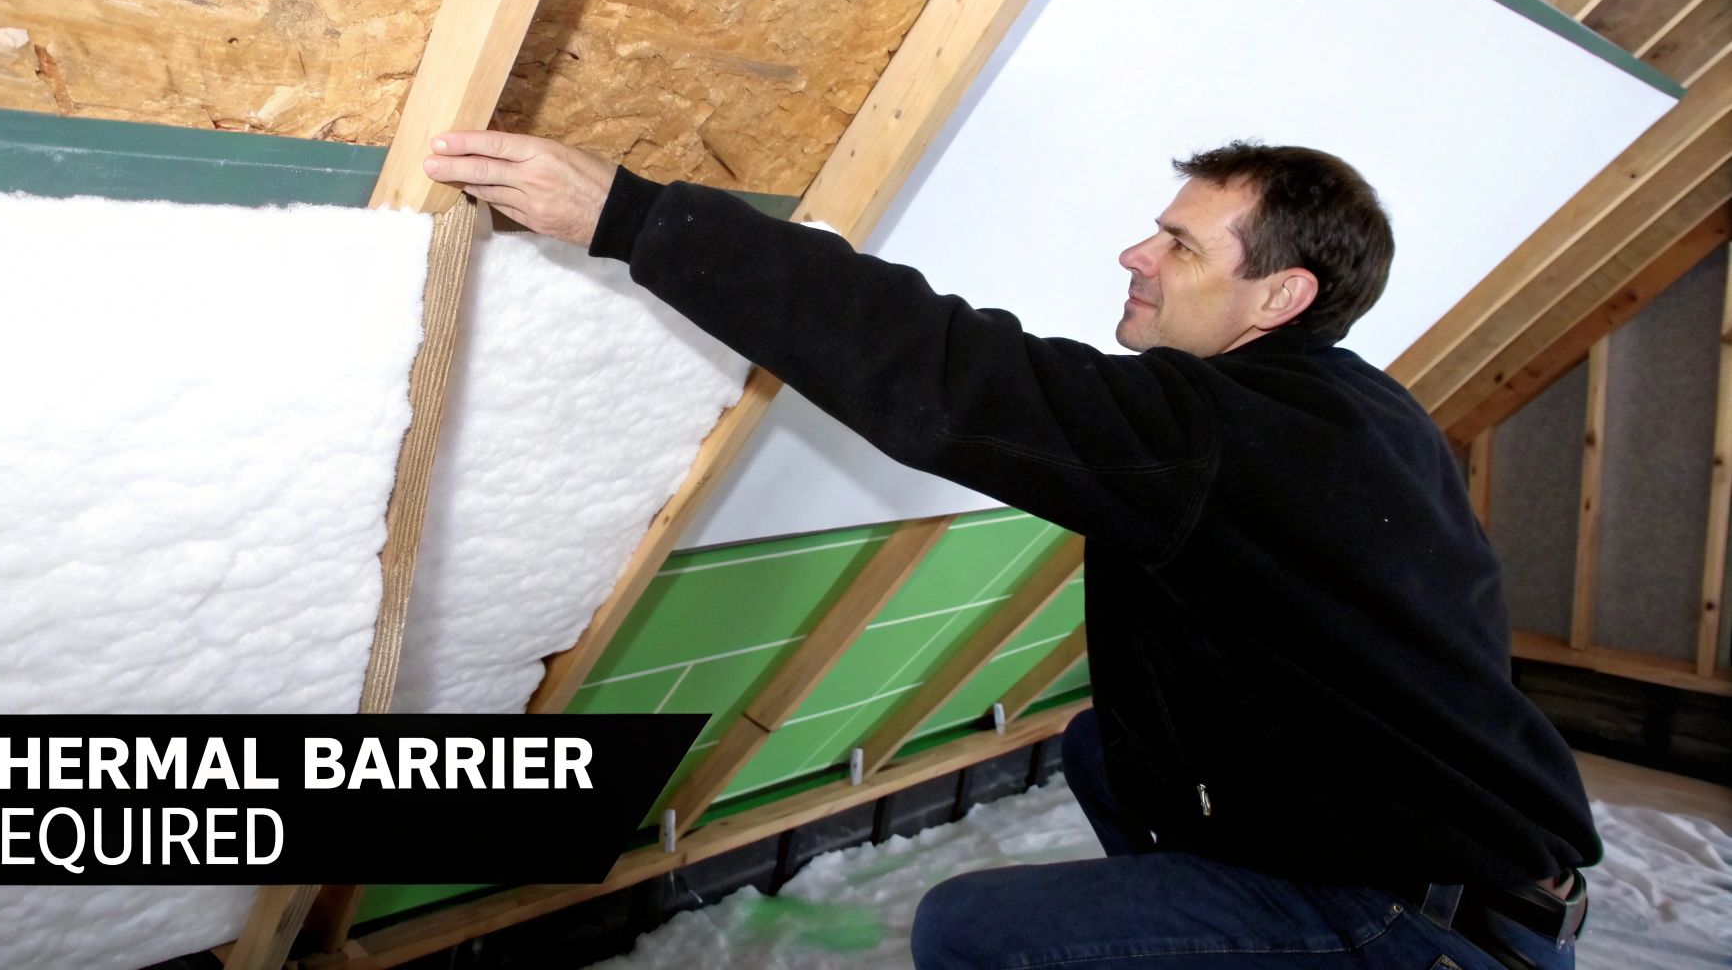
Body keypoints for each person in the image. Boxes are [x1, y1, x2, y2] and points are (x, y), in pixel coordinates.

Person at [423, 132, 1600, 969]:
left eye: (1179, 246)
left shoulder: (1221, 433)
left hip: (1417, 921)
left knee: (974, 931)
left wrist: (634, 220)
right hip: (1469, 865)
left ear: (1275, 297)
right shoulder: (1350, 407)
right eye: (1153, 228)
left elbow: (947, 376)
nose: (1136, 255)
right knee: (1108, 750)